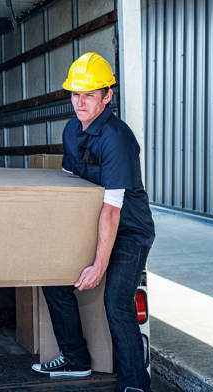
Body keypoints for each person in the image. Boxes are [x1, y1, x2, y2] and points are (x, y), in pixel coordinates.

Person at [30, 52, 155, 392]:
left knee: (116, 302)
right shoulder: (72, 130)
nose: (80, 102)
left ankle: (135, 384)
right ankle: (75, 359)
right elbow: (72, 188)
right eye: (75, 94)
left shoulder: (117, 138)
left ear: (107, 96)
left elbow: (113, 210)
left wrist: (99, 264)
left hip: (129, 231)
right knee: (54, 280)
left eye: (88, 94)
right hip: (91, 222)